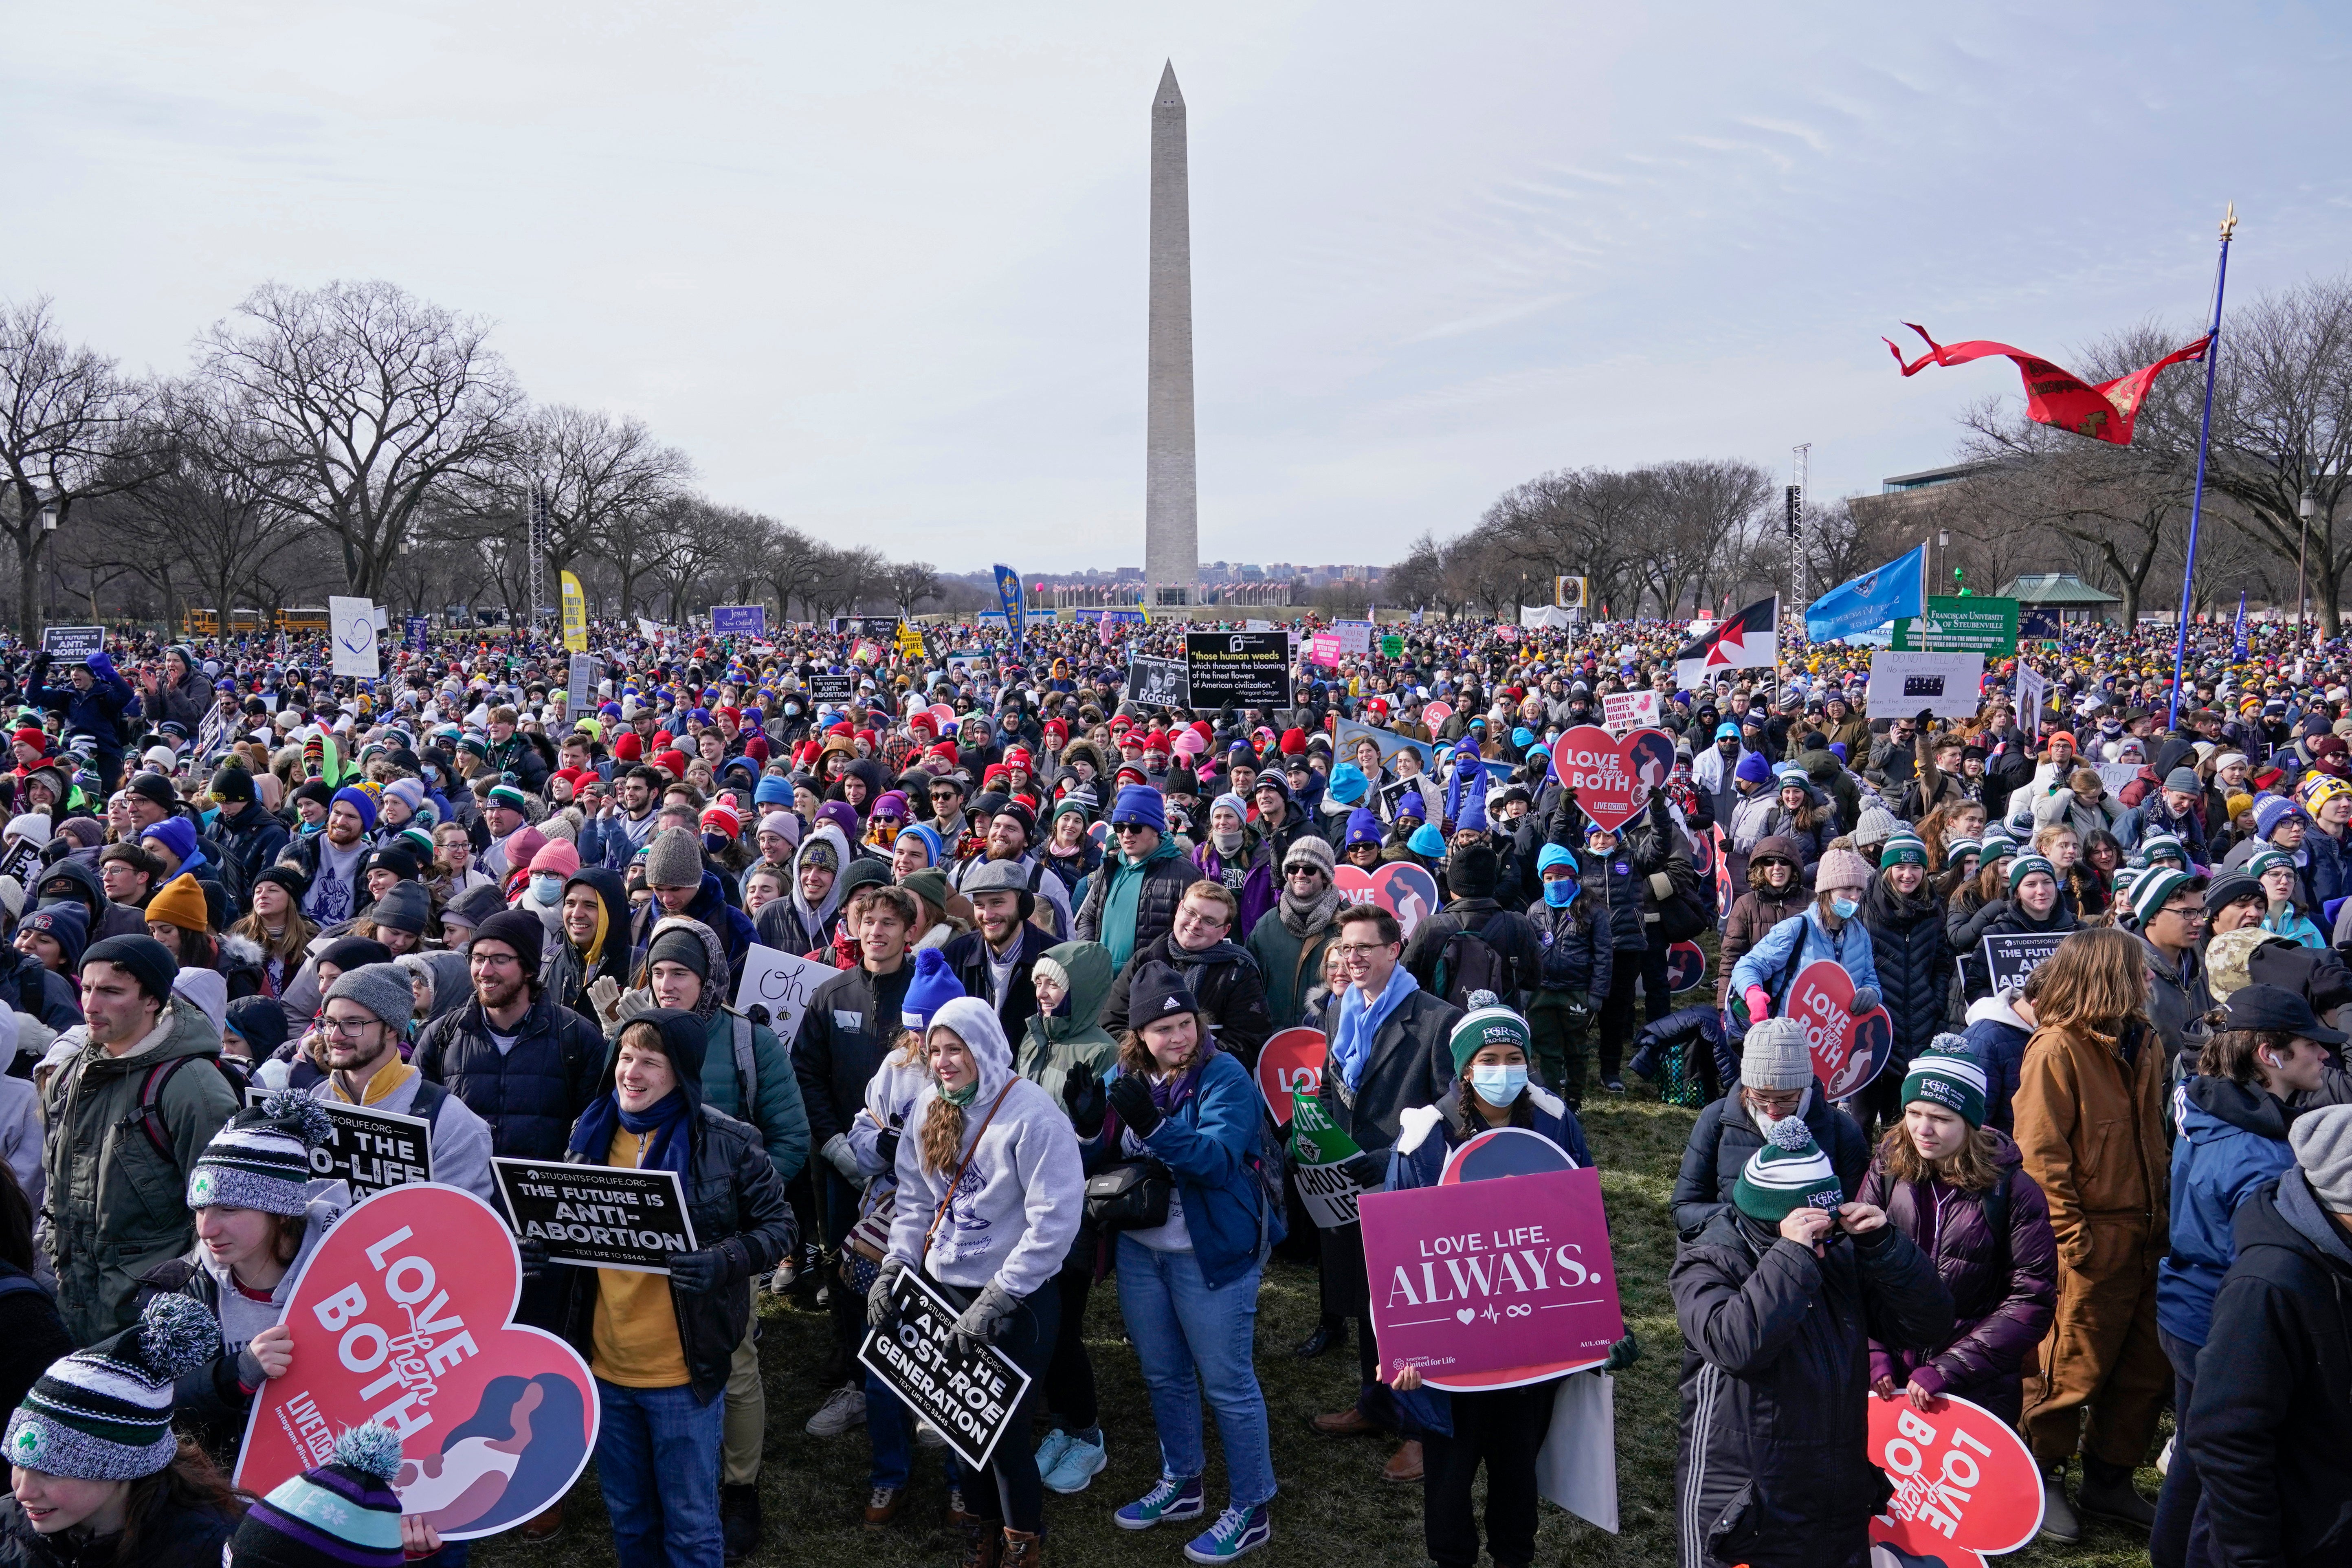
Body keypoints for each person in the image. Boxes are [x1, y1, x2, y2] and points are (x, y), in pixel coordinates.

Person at [594, 915, 807, 1558]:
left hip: (713, 1255)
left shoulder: (748, 1046)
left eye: (680, 972)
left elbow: (790, 1139)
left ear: (709, 976)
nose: (667, 984)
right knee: (634, 1517)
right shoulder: (596, 1128)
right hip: (618, 1336)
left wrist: (735, 1215)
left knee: (735, 1370)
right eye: (657, 972)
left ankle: (738, 1486)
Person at [554, 1009, 796, 1568]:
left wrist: (724, 1260)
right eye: (625, 1056)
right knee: (630, 1518)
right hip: (605, 1369)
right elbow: (572, 1227)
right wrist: (548, 1243)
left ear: (681, 1072)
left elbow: (780, 1226)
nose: (630, 1072)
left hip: (682, 1372)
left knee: (690, 1527)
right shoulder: (587, 1132)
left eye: (649, 1060)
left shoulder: (730, 1142)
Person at [1669, 1113, 1953, 1568]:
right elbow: (1736, 1346)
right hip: (1744, 1501)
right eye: (1813, 1234)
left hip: (1832, 1494)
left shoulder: (1835, 1252)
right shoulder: (1710, 1259)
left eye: (1828, 1232)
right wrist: (1791, 1256)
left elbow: (1928, 1325)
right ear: (1773, 1219)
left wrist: (1886, 1248)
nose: (1825, 1245)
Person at [870, 996, 1083, 1568]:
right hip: (945, 1287)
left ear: (984, 1047)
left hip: (1016, 1296)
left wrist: (1001, 1294)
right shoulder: (926, 1108)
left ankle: (1021, 1545)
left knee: (1005, 1437)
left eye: (954, 1049)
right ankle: (982, 1536)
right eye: (935, 1050)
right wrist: (898, 1264)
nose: (942, 1061)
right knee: (961, 1427)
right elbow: (915, 1201)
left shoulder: (1033, 1114)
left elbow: (1055, 1222)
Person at [1385, 1003, 1591, 1568]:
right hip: (1457, 1350)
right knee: (1449, 1476)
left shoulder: (1553, 1120)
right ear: (1465, 1069)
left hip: (1531, 1341)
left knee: (1517, 1464)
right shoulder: (1425, 1136)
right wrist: (1401, 1345)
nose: (1504, 1069)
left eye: (1514, 1057)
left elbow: (1581, 1223)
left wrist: (1593, 1324)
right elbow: (1396, 1249)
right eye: (1489, 1059)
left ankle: (1514, 1555)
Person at [1090, 967, 1280, 1562]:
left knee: (1227, 1383)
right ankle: (1183, 1483)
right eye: (1163, 1028)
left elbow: (1217, 1161)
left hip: (1210, 1251)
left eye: (1185, 1023)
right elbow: (1101, 1154)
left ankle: (1251, 1507)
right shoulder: (1124, 1073)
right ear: (1139, 1034)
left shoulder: (1223, 1073)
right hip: (1142, 1246)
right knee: (1162, 1374)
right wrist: (1083, 1120)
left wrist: (1152, 1122)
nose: (1178, 1037)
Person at [2148, 985, 2338, 1568]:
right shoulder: (2263, 1159)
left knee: (2192, 1452)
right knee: (2224, 1472)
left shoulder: (2202, 1101)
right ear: (2269, 1054)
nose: (2324, 1056)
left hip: (2182, 1303)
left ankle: (2167, 1551)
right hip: (2219, 1323)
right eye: (2312, 1044)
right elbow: (2261, 1262)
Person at [2011, 926, 2171, 1541]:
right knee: (2066, 1363)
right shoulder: (2055, 1048)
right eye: (2139, 968)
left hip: (2145, 1235)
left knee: (2140, 1369)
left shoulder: (2145, 1040)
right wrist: (2071, 1242)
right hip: (2088, 1239)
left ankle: (2109, 1479)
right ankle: (2039, 1474)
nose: (2150, 976)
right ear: (2108, 974)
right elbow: (2039, 1155)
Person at [1306, 904, 1462, 1484]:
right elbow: (1333, 1083)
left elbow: (1455, 1107)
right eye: (1346, 948)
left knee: (1414, 1310)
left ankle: (1423, 1430)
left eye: (1365, 947)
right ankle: (1375, 1403)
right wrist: (1316, 1131)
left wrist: (1397, 1153)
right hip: (1351, 1182)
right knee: (1370, 1300)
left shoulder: (1436, 1019)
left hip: (1408, 1184)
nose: (1353, 958)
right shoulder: (1340, 1009)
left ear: (1394, 950)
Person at [41, 934, 242, 1346]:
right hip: (70, 1311)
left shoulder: (192, 1088)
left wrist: (173, 1310)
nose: (91, 1005)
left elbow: (221, 1220)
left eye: (112, 991)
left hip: (146, 1325)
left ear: (153, 1000)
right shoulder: (72, 1072)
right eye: (87, 989)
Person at [135, 1093, 352, 1465]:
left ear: (281, 1212)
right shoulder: (175, 1289)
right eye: (200, 1208)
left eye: (229, 1209)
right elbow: (148, 1408)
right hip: (227, 1497)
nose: (206, 1228)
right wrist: (235, 1374)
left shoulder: (352, 1272)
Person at [2179, 1103, 2352, 1566]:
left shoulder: (2339, 1253)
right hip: (2295, 1541)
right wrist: (2251, 1558)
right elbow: (2226, 1439)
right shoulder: (2267, 1287)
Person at [1857, 1039, 2057, 1425]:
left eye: (1942, 1118)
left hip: (1974, 1387)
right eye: (1913, 1112)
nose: (1923, 1129)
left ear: (1971, 1122)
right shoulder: (1886, 1169)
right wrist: (1871, 1349)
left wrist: (1951, 1367)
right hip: (1886, 1381)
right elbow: (1853, 1266)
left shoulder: (2014, 1191)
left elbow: (2032, 1299)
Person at [796, 884, 922, 1429]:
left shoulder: (927, 991)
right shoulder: (831, 994)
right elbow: (806, 1073)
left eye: (888, 923)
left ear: (907, 931)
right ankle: (856, 1380)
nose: (876, 931)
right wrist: (832, 1142)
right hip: (845, 1166)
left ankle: (922, 1384)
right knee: (848, 1267)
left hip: (920, 1172)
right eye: (865, 920)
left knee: (921, 1270)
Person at [0, 1294, 244, 1566]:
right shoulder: (7, 1524)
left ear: (124, 1466)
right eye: (19, 1464)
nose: (22, 1492)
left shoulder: (208, 1550)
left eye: (50, 1471)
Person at [301, 964, 497, 1201]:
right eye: (330, 1022)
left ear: (392, 1029)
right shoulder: (311, 1103)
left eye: (353, 1024)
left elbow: (459, 1223)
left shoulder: (451, 1122)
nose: (334, 1036)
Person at [1670, 1015, 1871, 1239]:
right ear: (1747, 1086)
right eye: (1760, 1097)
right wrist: (1751, 1219)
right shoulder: (1716, 1120)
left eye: (1786, 1098)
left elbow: (1857, 1213)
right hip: (1733, 1255)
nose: (1773, 1109)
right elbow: (1684, 1208)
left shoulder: (1842, 1130)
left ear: (1803, 1088)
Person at [1101, 882, 1273, 1069]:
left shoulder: (1239, 971)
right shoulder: (1145, 960)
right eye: (1191, 913)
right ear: (1179, 908)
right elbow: (1111, 1024)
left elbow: (1248, 1042)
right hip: (1147, 1076)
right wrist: (1155, 1064)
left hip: (1210, 1081)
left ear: (1224, 931)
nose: (1195, 924)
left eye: (1209, 921)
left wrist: (1185, 1067)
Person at [1853, 831, 1953, 1137]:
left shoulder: (1933, 910)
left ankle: (1897, 1183)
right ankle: (1858, 1182)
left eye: (1915, 868)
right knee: (1862, 1121)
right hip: (1872, 1029)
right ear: (1886, 869)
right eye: (1900, 867)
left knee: (1902, 1123)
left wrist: (1934, 1001)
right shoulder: (1864, 909)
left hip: (1918, 1027)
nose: (1908, 875)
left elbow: (1941, 961)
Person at [1726, 847, 1882, 1039]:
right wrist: (1753, 994)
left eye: (1859, 889)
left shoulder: (1860, 934)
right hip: (1791, 1039)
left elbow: (1870, 978)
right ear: (1827, 890)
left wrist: (1872, 993)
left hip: (1835, 1044)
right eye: (1847, 888)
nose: (1855, 896)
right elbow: (1748, 967)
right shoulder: (1796, 929)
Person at [1520, 845, 1612, 1107]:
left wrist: (1596, 993)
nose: (1554, 883)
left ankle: (1574, 1099)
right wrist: (1527, 988)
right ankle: (1551, 1102)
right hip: (1543, 991)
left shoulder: (1593, 909)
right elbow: (1529, 952)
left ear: (1573, 877)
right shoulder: (1535, 910)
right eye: (1548, 879)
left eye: (1561, 877)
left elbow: (1604, 955)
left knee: (1576, 1049)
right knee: (1547, 1050)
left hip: (1577, 990)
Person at [1073, 785, 1197, 974]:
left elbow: (1193, 938)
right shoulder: (1108, 868)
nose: (1126, 834)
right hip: (1102, 982)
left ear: (1156, 829)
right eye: (1120, 827)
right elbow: (1088, 918)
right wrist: (1091, 956)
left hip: (1152, 988)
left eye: (1136, 827)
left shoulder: (1186, 875)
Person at [1242, 833, 1342, 1033]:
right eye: (1293, 868)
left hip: (1329, 1039)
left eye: (1310, 869)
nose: (1300, 874)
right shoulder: (1265, 927)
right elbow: (1247, 990)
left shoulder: (1346, 927)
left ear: (1326, 876)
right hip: (1273, 1039)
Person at [2127, 866, 2216, 1071]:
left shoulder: (2203, 965)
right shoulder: (2121, 969)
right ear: (2152, 916)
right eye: (2187, 913)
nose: (2200, 922)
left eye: (2202, 912)